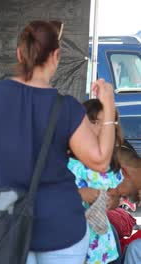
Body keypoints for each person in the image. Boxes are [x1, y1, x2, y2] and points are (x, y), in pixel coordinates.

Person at [0, 20, 116, 263]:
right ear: (56, 55)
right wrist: (108, 106)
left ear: (19, 53)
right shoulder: (67, 109)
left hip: (4, 226)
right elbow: (101, 160)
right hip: (62, 227)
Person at [67, 99, 124, 264]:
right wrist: (79, 194)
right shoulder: (67, 162)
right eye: (92, 122)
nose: (98, 128)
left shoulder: (111, 165)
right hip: (71, 242)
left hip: (102, 245)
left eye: (104, 123)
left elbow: (115, 193)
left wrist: (113, 199)